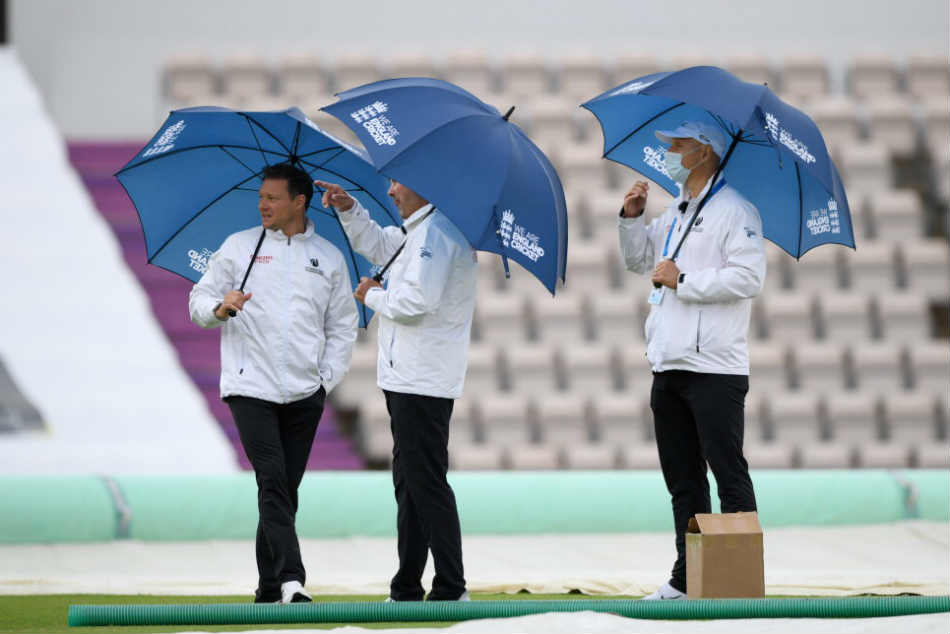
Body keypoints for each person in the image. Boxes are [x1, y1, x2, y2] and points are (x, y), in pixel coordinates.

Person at [189, 163, 358, 604]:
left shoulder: (329, 257)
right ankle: (291, 580)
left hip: (305, 392)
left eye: (272, 198)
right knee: (272, 480)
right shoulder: (239, 246)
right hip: (250, 388)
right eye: (261, 197)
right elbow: (198, 300)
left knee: (284, 490)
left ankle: (267, 590)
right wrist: (220, 308)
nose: (262, 205)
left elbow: (343, 326)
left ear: (299, 202)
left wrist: (325, 380)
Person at [617, 121, 766, 600]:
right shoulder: (676, 210)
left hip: (715, 368)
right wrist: (631, 219)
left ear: (705, 152)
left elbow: (748, 277)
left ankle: (738, 584)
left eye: (679, 145)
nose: (670, 153)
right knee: (683, 481)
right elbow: (640, 262)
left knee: (728, 474)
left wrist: (684, 281)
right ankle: (688, 580)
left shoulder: (736, 209)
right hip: (668, 363)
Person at [314, 177, 476, 602]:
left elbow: (416, 302)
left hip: (422, 377)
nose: (390, 191)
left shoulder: (437, 234)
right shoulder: (421, 231)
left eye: (397, 183)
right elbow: (382, 246)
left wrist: (373, 296)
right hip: (408, 376)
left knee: (425, 482)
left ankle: (451, 586)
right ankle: (407, 585)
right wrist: (350, 210)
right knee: (410, 482)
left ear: (423, 183)